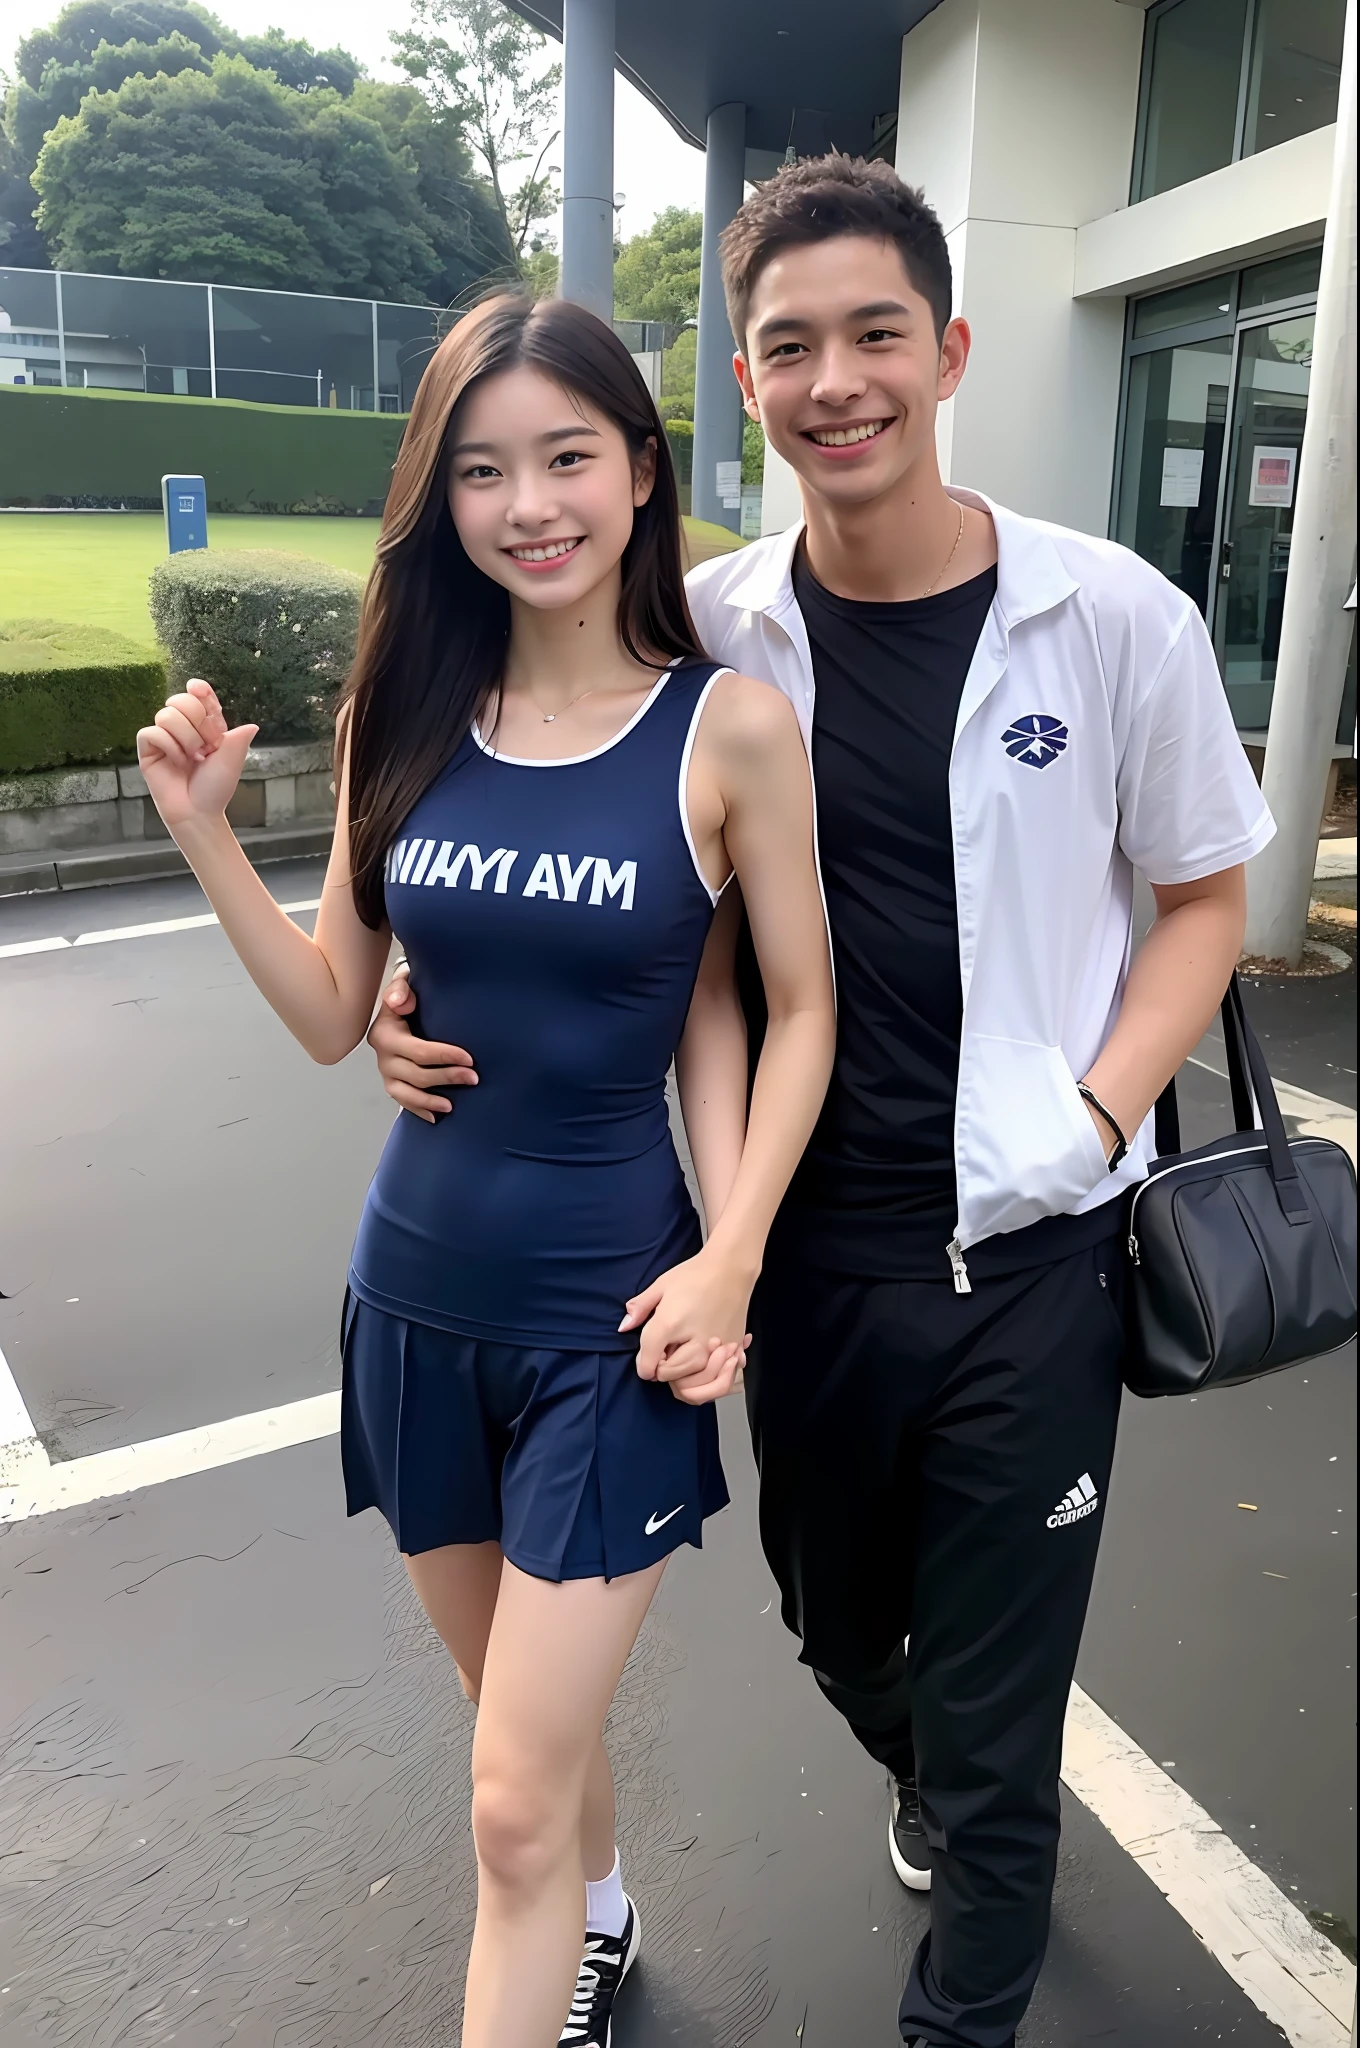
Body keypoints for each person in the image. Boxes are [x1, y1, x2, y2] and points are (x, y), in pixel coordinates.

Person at [369, 160, 1275, 2047]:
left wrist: (1103, 1116)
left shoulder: (1110, 621)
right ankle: (924, 1762)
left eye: (877, 335)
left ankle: (972, 1987)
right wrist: (404, 986)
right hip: (788, 1261)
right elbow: (571, 838)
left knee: (1006, 1719)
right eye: (790, 347)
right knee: (841, 1629)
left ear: (945, 353)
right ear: (745, 382)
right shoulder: (700, 630)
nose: (836, 379)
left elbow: (1207, 900)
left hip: (1031, 1254)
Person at [135, 292, 834, 2048]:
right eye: (481, 469)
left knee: (506, 1795)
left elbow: (779, 1010)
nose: (530, 503)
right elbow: (327, 1010)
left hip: (613, 1326)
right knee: (522, 1736)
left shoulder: (729, 731)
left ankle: (565, 1911)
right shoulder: (406, 711)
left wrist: (734, 1255)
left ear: (642, 471)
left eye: (567, 457)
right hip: (415, 1302)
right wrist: (207, 833)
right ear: (438, 499)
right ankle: (599, 1922)